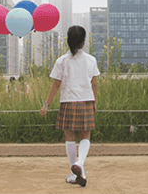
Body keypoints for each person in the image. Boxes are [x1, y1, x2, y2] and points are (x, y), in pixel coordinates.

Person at [40, 26, 100, 186]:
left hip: (68, 102)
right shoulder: (91, 60)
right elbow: (94, 83)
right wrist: (94, 102)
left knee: (70, 138)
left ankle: (75, 172)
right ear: (83, 42)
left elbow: (55, 85)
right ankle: (80, 166)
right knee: (85, 136)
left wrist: (46, 104)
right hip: (87, 101)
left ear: (68, 41)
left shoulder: (62, 61)